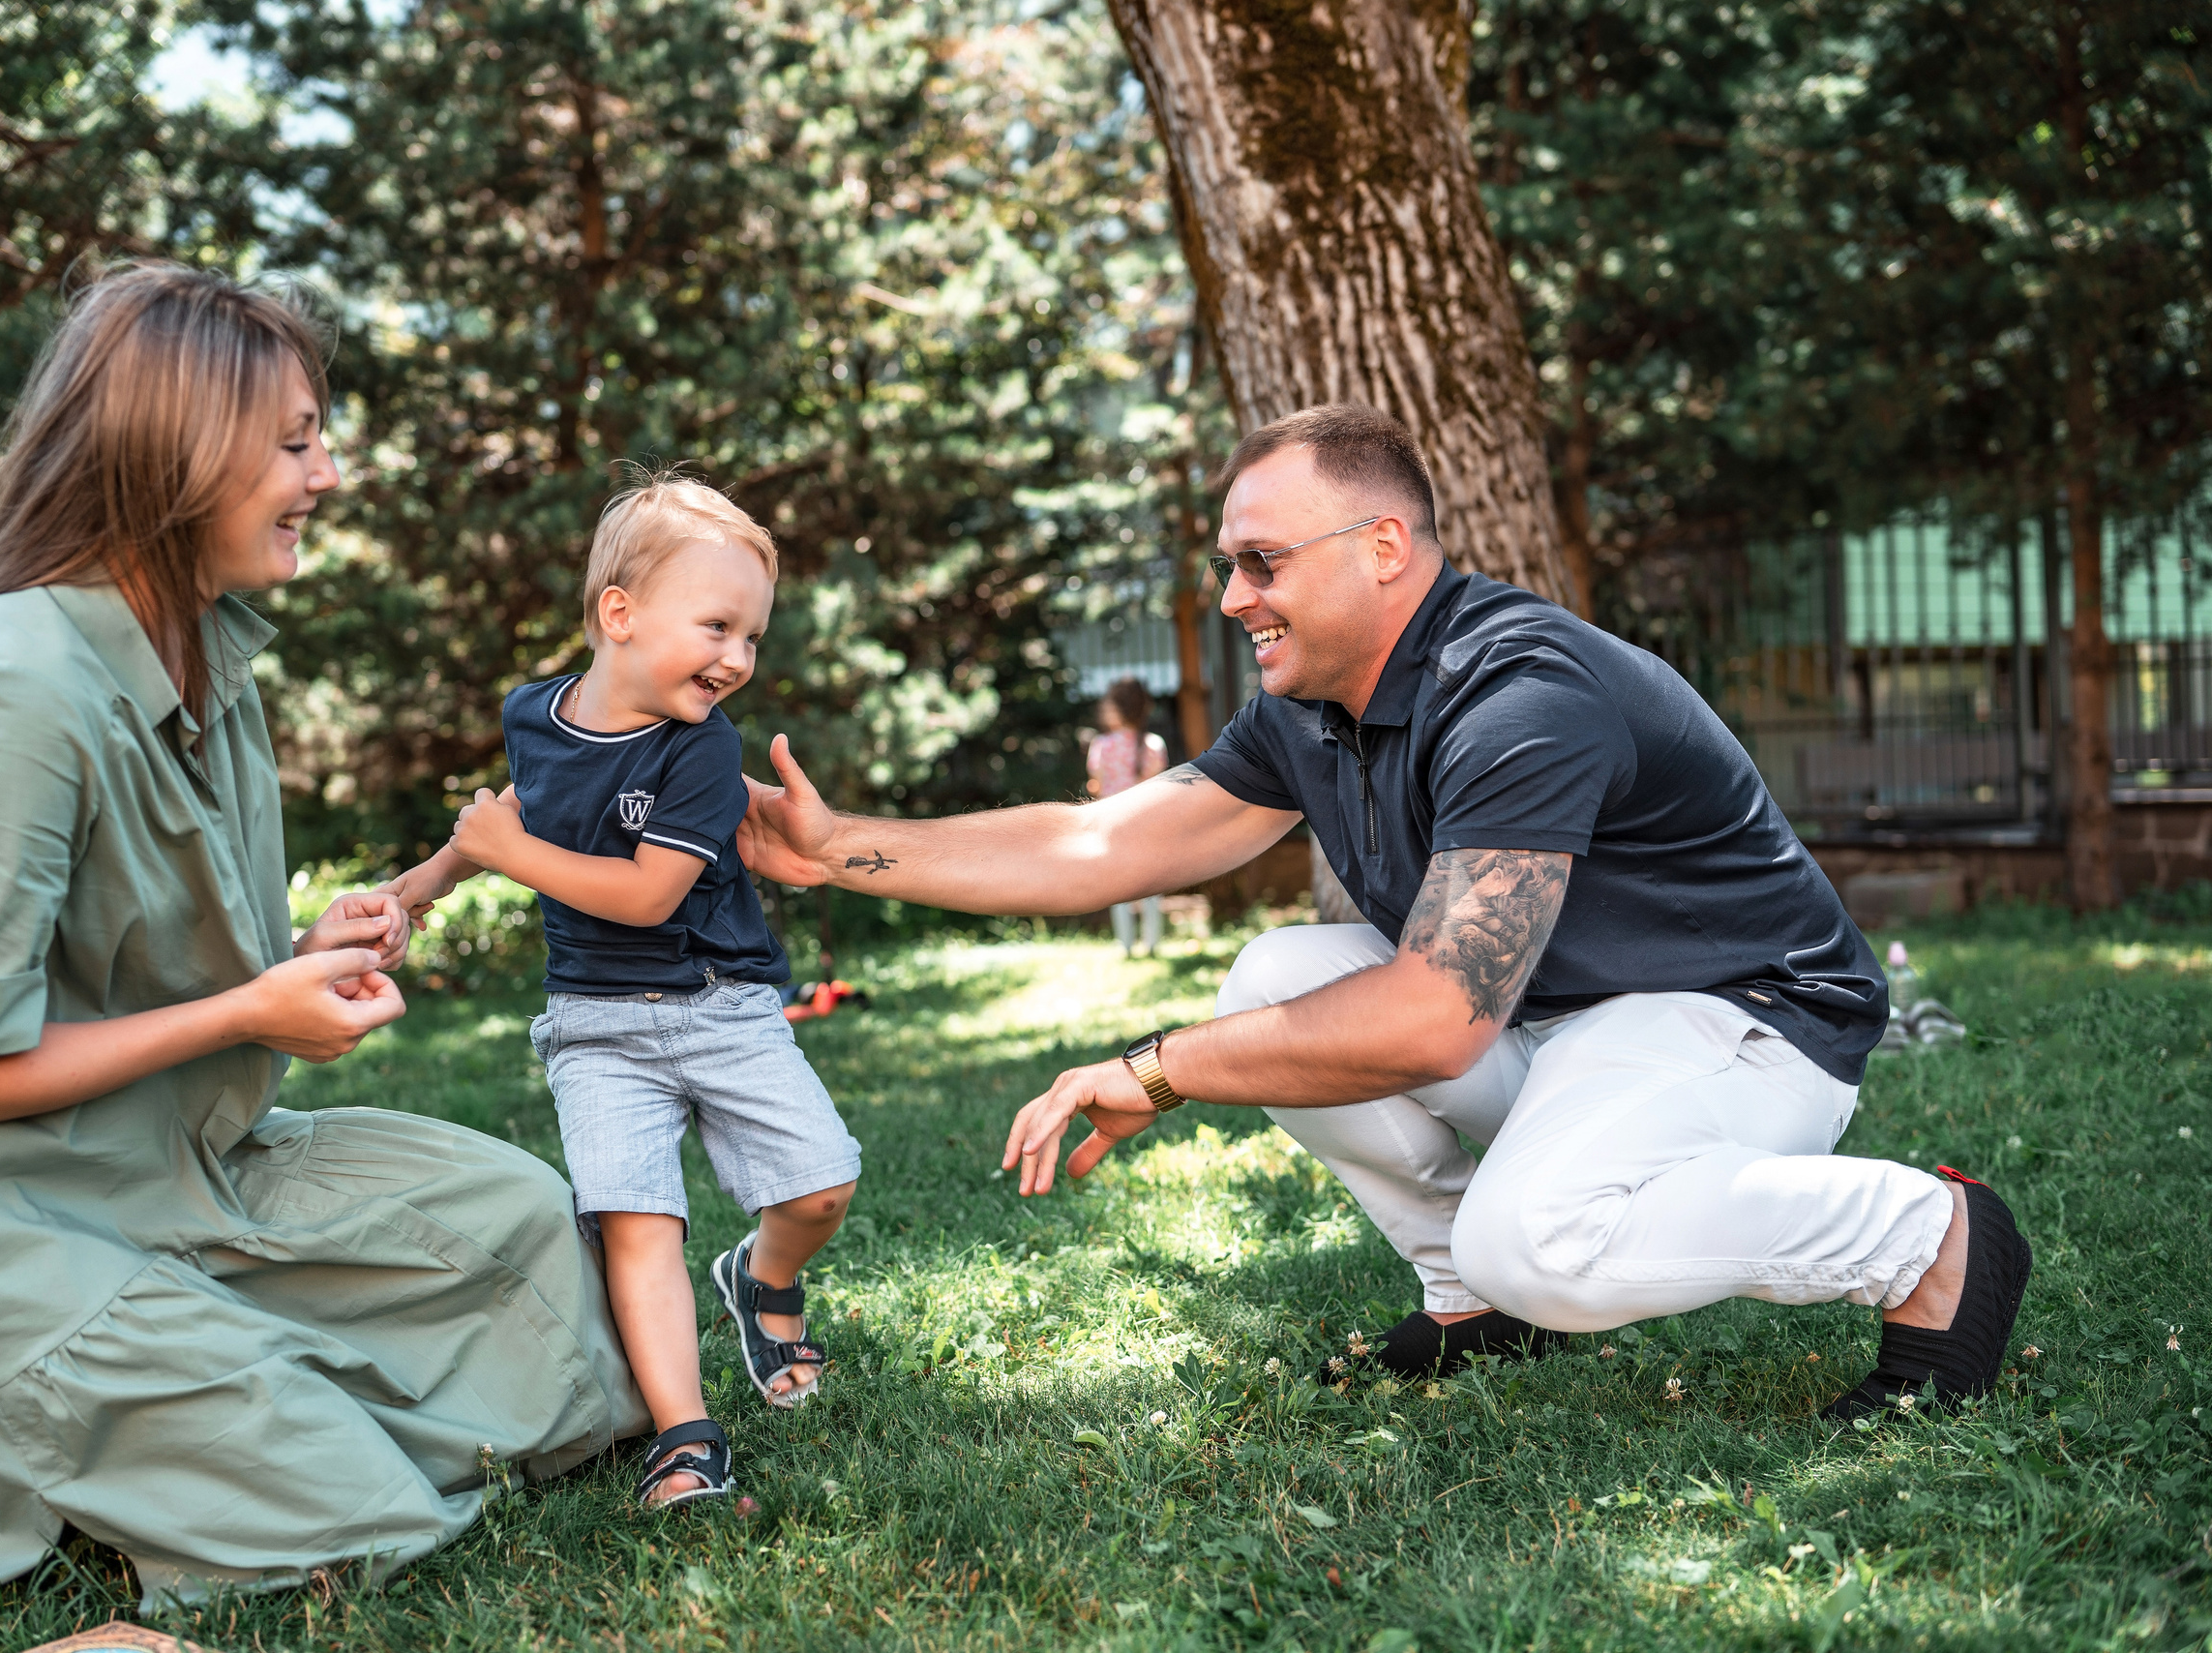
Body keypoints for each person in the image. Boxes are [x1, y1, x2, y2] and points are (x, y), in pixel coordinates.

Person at [739, 404, 2030, 1421]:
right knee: (1272, 976)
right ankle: (1473, 1304)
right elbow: (1102, 841)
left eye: (1261, 562)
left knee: (1541, 1239)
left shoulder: (1520, 693)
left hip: (1743, 1024)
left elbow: (1434, 1018)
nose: (1234, 595)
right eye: (1228, 564)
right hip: (1568, 1023)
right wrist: (845, 851)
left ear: (1385, 549)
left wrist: (1157, 1070)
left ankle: (1927, 1234)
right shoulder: (1312, 705)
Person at [0, 264, 646, 1643]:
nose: (325, 474)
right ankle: (10, 1451)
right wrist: (250, 1011)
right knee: (352, 1518)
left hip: (169, 1168)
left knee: (523, 1236)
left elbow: (145, 955)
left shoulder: (206, 653)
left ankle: (162, 1441)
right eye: (292, 442)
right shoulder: (11, 695)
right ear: (172, 450)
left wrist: (300, 952)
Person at [388, 471, 859, 1510]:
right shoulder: (535, 715)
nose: (737, 659)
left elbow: (649, 897)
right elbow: (517, 810)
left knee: (822, 1183)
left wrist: (514, 855)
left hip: (719, 1004)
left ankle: (764, 1276)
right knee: (636, 1218)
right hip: (595, 1026)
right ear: (619, 614)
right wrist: (419, 889)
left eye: (752, 638)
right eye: (718, 627)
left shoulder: (702, 750)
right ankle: (683, 1433)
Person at [1084, 676, 1169, 955]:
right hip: (1148, 822)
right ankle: (1153, 942)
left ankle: (1125, 945)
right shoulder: (1155, 745)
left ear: (1118, 709)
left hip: (1112, 824)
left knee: (1117, 886)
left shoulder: (1102, 745)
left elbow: (1096, 781)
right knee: (1151, 886)